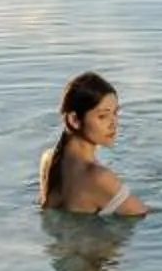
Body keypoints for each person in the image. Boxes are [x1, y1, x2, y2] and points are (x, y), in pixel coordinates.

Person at [38, 70, 149, 217]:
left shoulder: (49, 159)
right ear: (74, 120)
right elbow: (146, 216)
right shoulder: (99, 178)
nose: (113, 123)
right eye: (102, 116)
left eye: (115, 113)